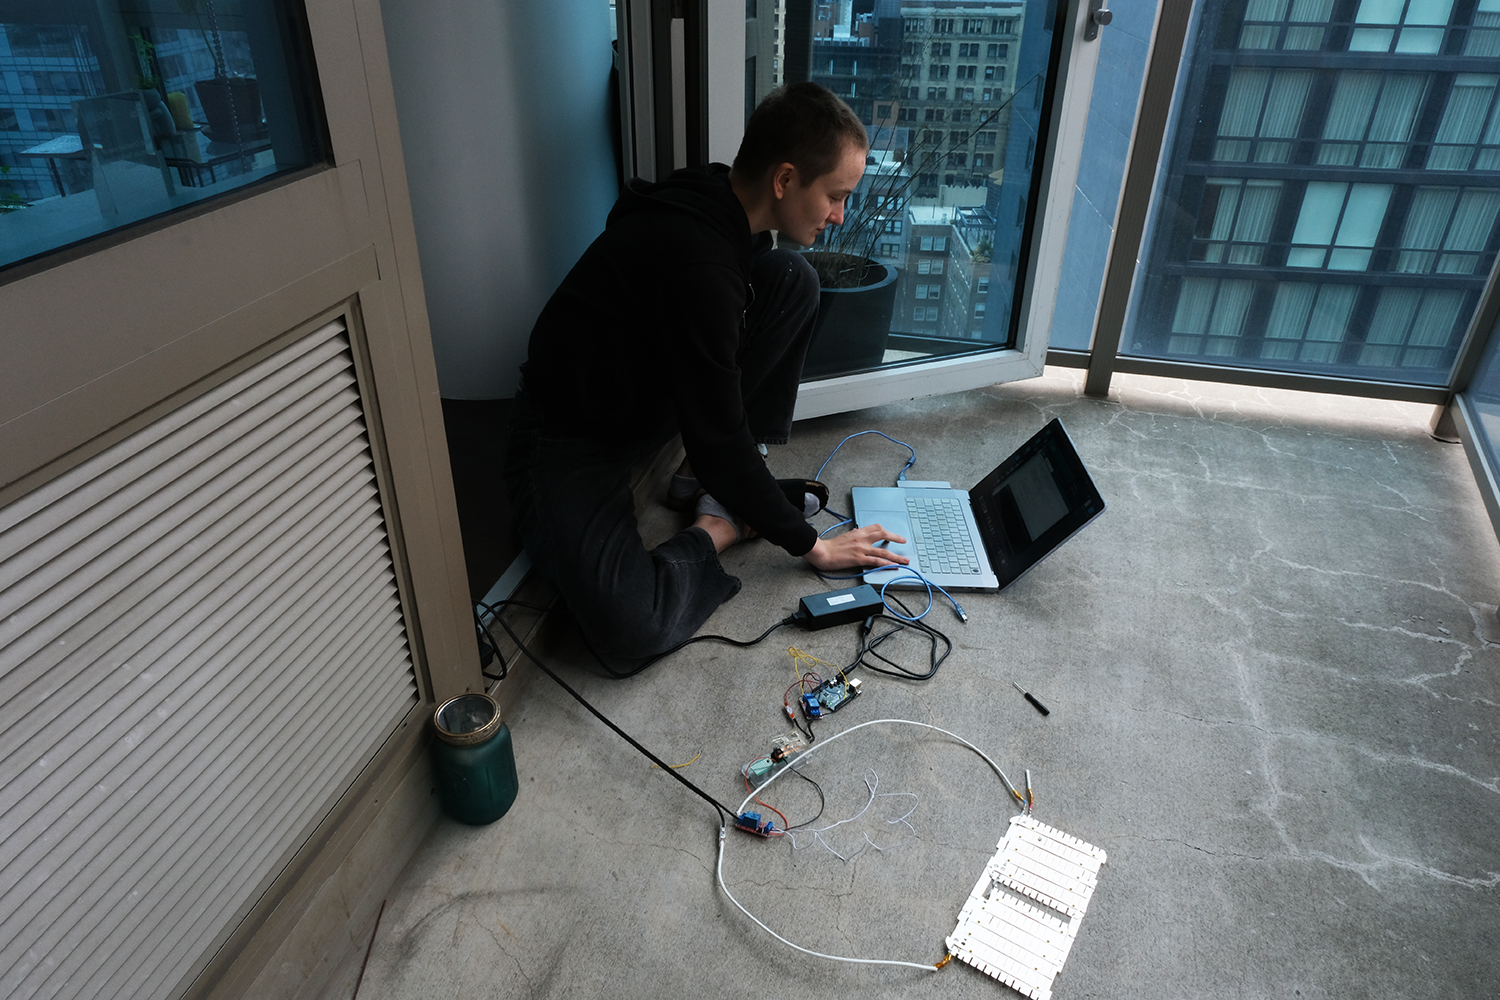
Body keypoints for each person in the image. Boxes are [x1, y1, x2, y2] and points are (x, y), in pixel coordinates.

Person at [503, 82, 907, 662]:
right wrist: (812, 546)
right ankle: (717, 526)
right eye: (835, 196)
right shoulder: (699, 263)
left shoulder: (721, 197)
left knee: (791, 280)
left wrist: (725, 459)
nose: (840, 216)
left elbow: (716, 419)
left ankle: (711, 485)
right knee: (631, 630)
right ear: (785, 179)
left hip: (640, 398)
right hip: (569, 439)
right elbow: (718, 436)